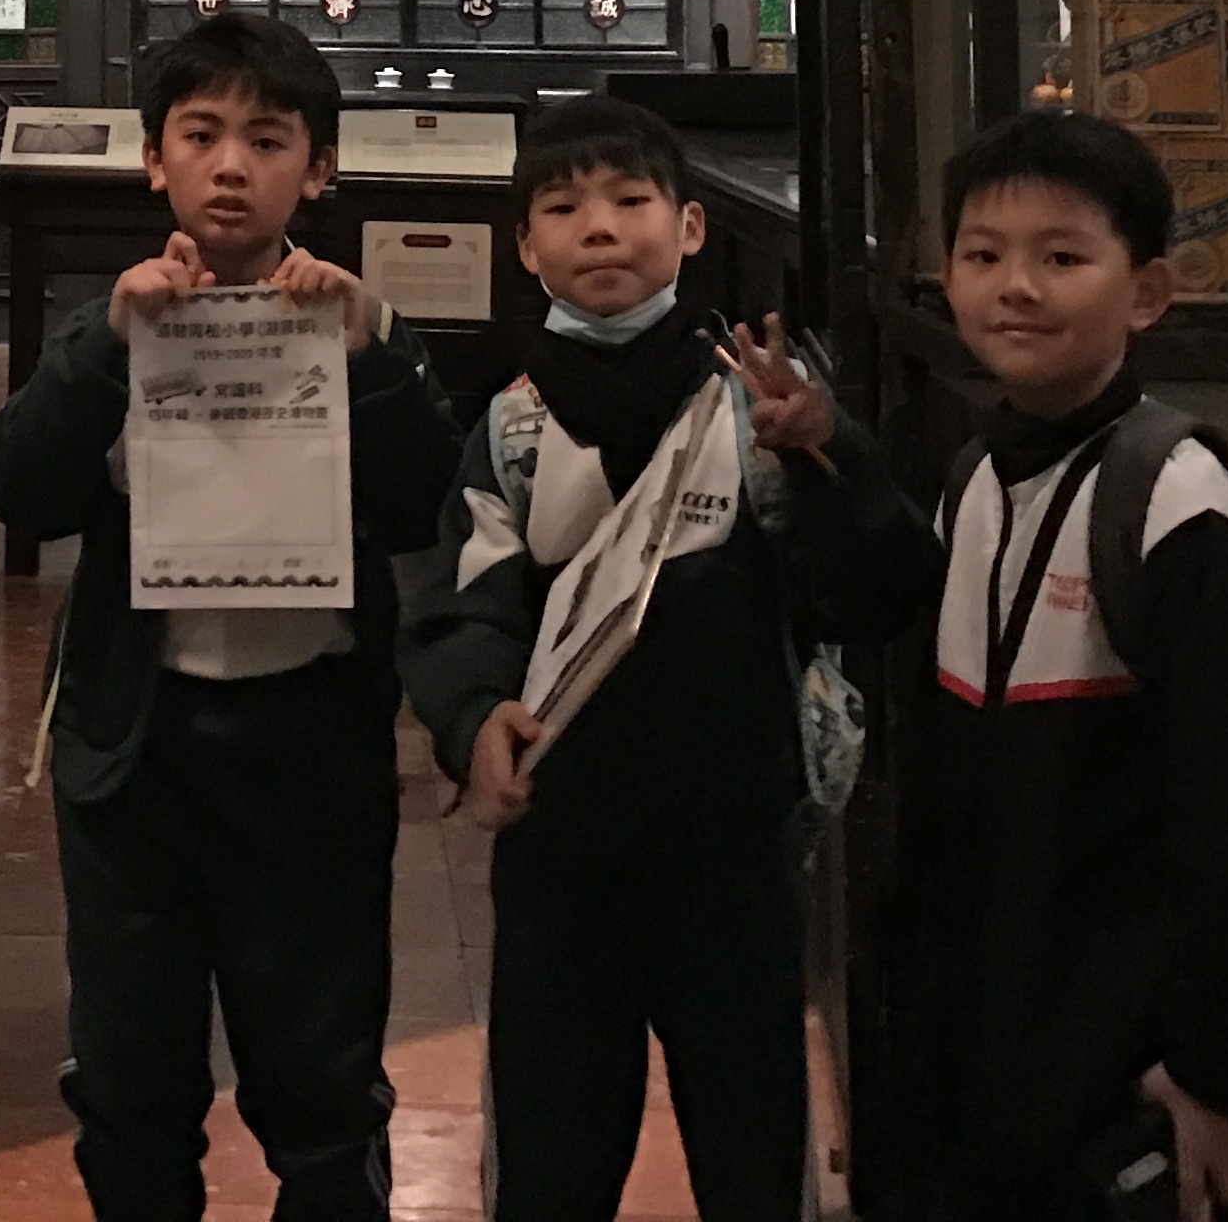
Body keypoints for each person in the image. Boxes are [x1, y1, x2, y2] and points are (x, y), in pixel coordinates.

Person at [396, 95, 930, 1222]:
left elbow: (878, 592)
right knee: (552, 1154)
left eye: (630, 199)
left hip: (735, 845)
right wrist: (473, 716)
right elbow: (463, 606)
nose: (599, 227)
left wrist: (830, 455)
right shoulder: (512, 427)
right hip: (562, 850)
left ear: (690, 227)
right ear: (525, 245)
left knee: (751, 1150)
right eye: (562, 208)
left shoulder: (759, 408)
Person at [0, 13, 462, 1222]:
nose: (231, 165)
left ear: (319, 168)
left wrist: (369, 356)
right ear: (156, 161)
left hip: (310, 753)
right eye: (201, 135)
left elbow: (424, 506)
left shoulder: (361, 327)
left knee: (321, 1077)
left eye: (267, 139)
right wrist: (108, 346)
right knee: (131, 1077)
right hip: (137, 753)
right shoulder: (111, 324)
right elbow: (17, 487)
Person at [858, 108, 1228, 1222]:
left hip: (1127, 1094)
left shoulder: (1185, 514)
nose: (1015, 288)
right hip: (985, 1076)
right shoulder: (975, 480)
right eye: (983, 255)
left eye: (1062, 258)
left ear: (1147, 293)